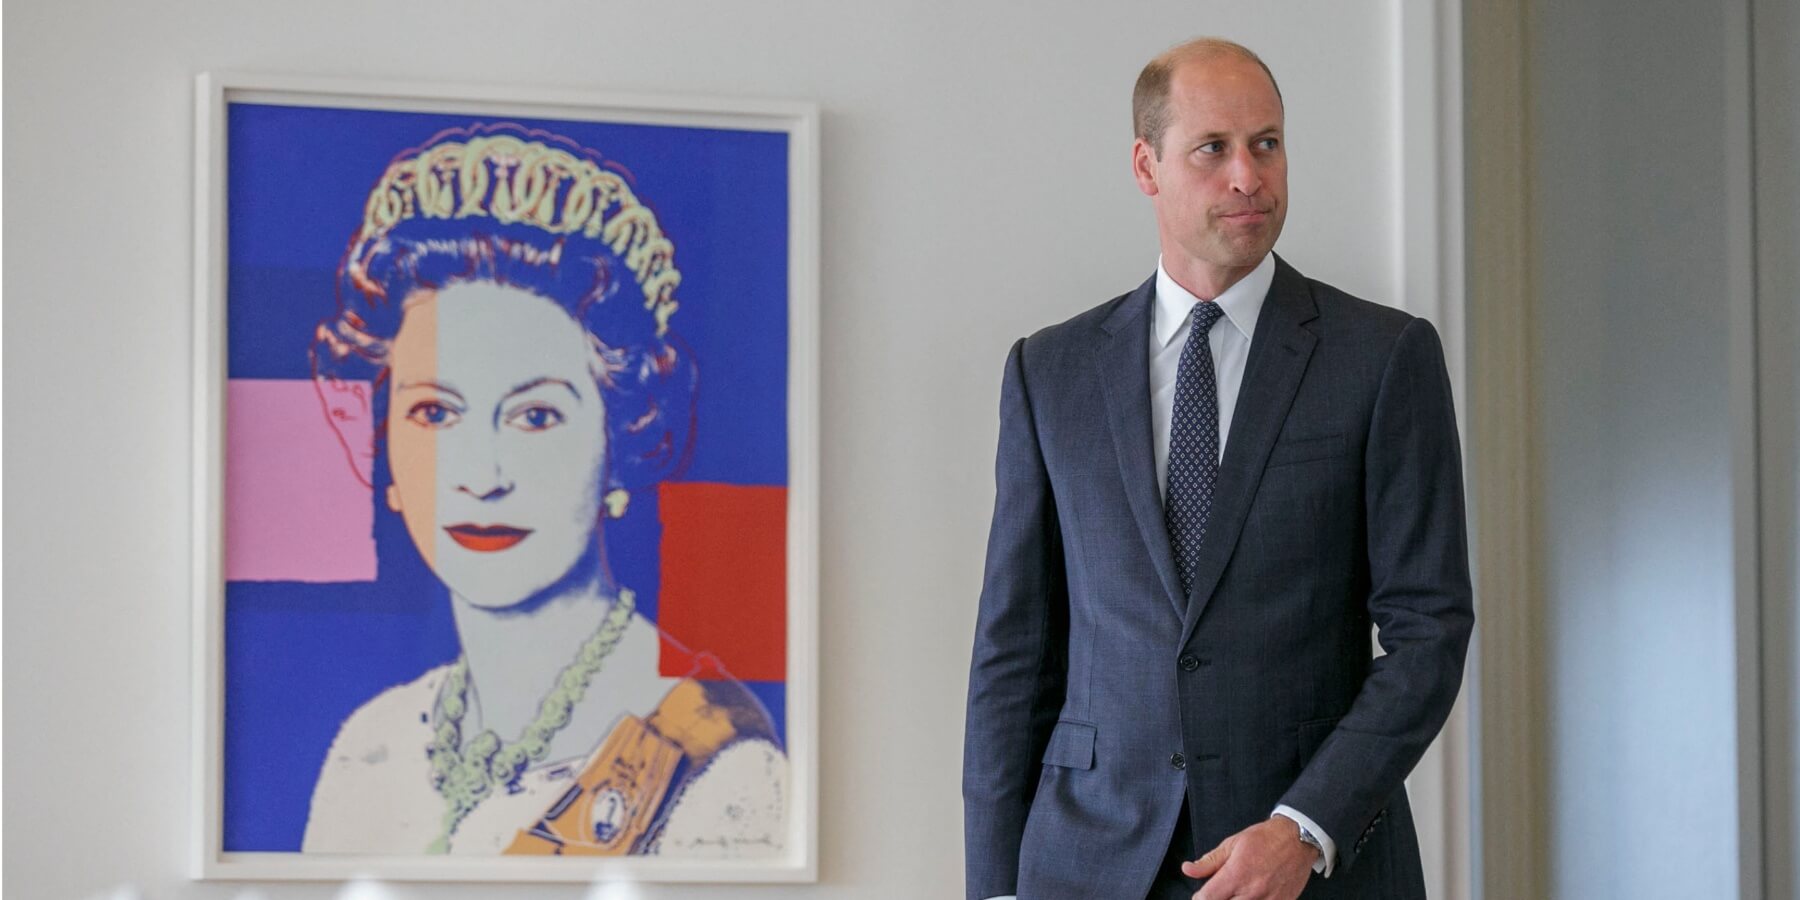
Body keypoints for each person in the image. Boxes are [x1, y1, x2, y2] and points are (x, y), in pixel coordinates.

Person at [963, 38, 1472, 900]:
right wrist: (994, 885)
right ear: (1146, 165)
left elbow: (1429, 632)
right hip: (1087, 864)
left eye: (1267, 144)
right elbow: (1014, 652)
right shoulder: (1049, 373)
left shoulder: (1383, 358)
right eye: (1214, 149)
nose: (1248, 176)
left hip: (1309, 865)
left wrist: (1303, 828)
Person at [300, 123, 786, 857]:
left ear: (621, 440)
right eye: (435, 412)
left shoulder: (721, 774)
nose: (483, 475)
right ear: (384, 445)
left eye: (535, 415)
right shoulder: (369, 748)